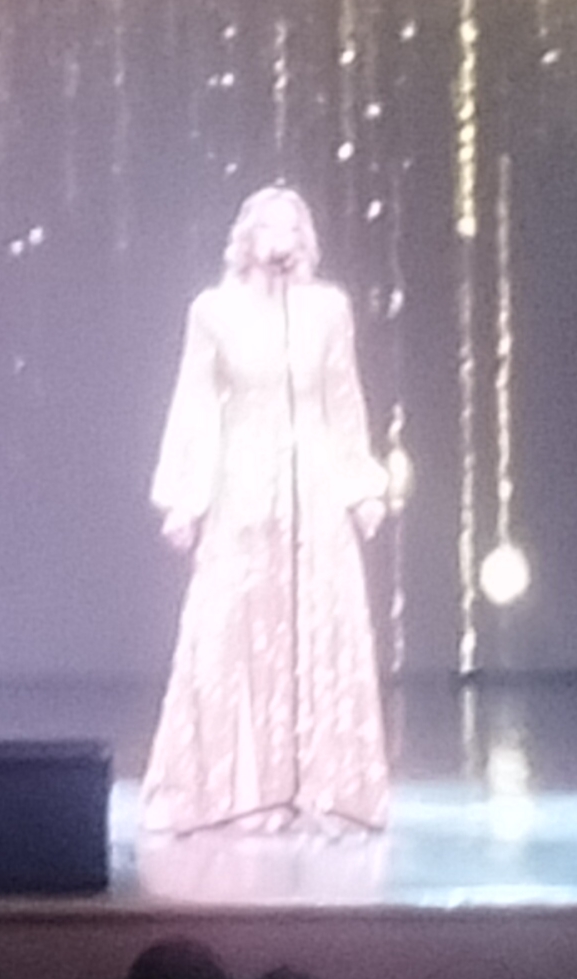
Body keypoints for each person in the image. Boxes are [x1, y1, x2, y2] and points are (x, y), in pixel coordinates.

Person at [140, 184, 391, 835]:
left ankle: (321, 787)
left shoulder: (327, 309)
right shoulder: (212, 311)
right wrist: (183, 499)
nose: (281, 238)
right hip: (240, 486)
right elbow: (194, 403)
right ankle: (229, 789)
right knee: (227, 629)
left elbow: (343, 398)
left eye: (292, 228)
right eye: (269, 227)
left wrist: (361, 486)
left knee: (313, 627)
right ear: (246, 238)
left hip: (313, 487)